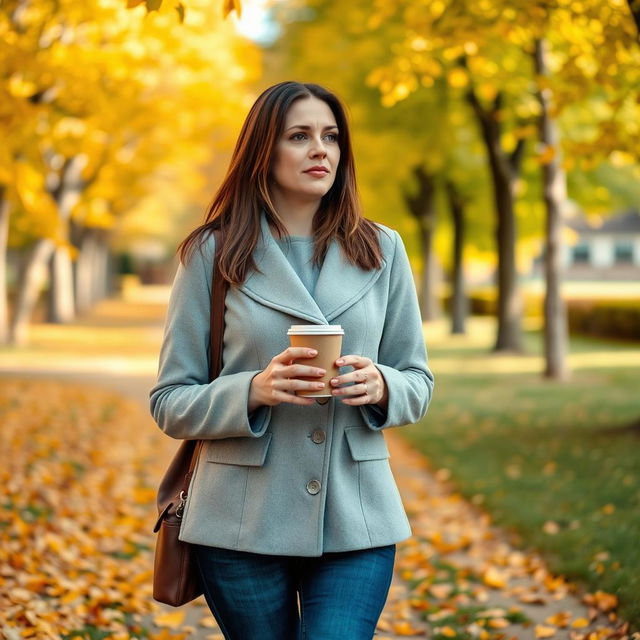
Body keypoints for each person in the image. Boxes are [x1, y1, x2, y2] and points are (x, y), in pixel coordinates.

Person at [149, 81, 434, 640]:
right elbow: (169, 402)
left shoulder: (383, 249)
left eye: (330, 136)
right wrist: (252, 390)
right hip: (239, 521)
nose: (320, 150)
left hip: (358, 516)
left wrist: (381, 386)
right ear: (263, 151)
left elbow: (418, 380)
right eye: (299, 136)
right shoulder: (212, 252)